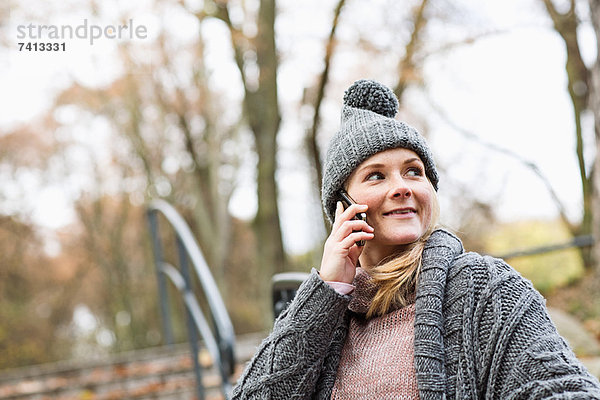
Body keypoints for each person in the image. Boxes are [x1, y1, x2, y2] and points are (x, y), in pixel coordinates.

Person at [231, 79, 600, 399]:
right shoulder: (326, 315)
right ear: (343, 206)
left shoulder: (486, 289)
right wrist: (326, 293)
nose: (402, 187)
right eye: (376, 176)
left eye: (414, 171)